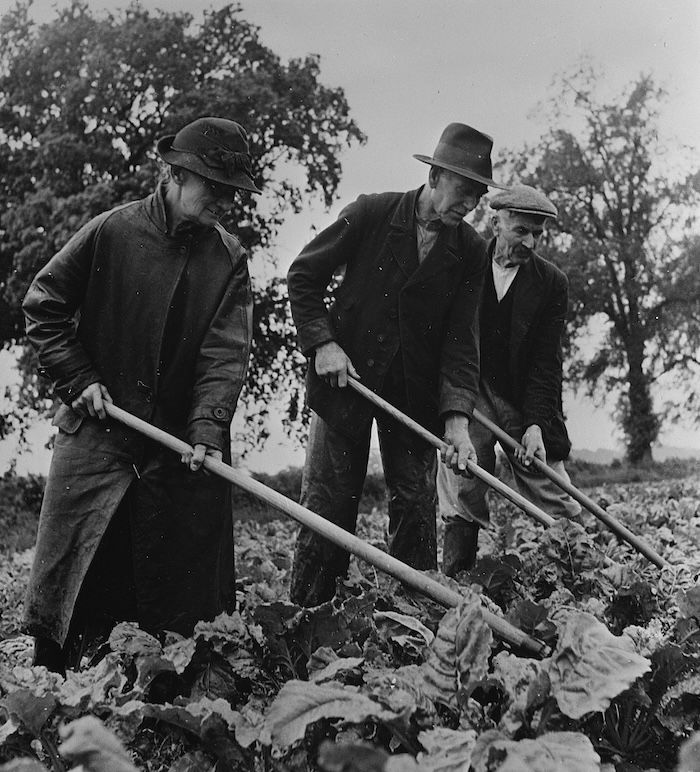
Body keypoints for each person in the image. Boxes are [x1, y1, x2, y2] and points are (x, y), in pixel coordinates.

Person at [21, 116, 259, 673]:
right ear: (174, 174)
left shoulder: (228, 260)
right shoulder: (111, 230)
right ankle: (56, 697)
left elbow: (224, 356)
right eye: (215, 187)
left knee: (177, 598)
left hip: (175, 445)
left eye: (232, 191)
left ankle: (158, 698)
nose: (225, 200)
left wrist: (205, 429)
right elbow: (43, 305)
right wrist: (79, 379)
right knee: (71, 581)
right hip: (97, 436)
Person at [286, 122, 507, 606]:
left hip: (414, 398)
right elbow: (303, 275)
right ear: (434, 178)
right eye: (463, 191)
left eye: (477, 197)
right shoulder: (372, 213)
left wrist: (456, 421)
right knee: (327, 505)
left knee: (415, 507)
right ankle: (305, 618)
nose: (469, 205)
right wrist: (323, 343)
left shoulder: (470, 251)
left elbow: (460, 342)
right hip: (345, 383)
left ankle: (411, 622)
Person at [437, 184, 581, 576]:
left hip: (521, 399)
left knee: (551, 487)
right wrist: (455, 410)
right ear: (497, 222)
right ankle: (456, 581)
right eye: (522, 231)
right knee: (462, 478)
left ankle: (583, 573)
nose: (531, 243)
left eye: (538, 233)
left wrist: (535, 423)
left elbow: (545, 363)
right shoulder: (463, 262)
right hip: (469, 391)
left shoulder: (552, 283)